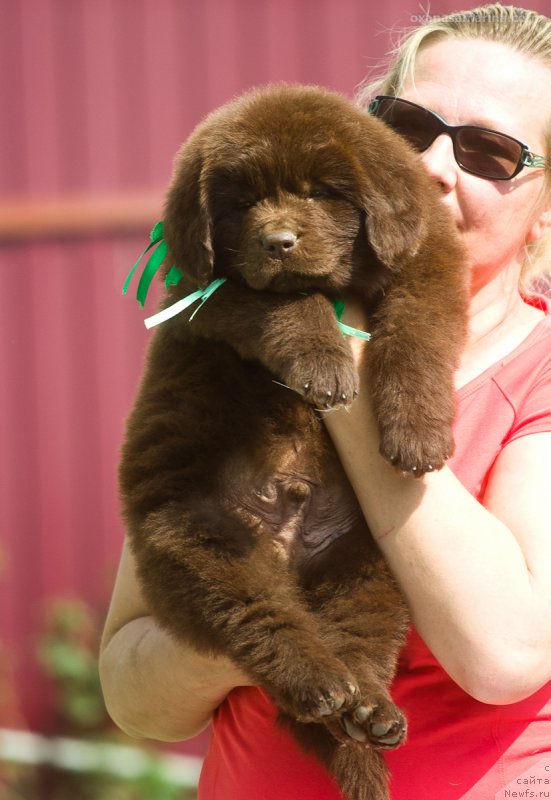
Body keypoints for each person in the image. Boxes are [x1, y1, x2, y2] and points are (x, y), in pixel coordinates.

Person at [99, 4, 551, 798]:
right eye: (409, 123)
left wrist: (340, 360)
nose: (435, 167)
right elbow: (134, 695)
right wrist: (258, 622)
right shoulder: (230, 320)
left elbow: (502, 657)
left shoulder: (538, 373)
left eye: (489, 151)